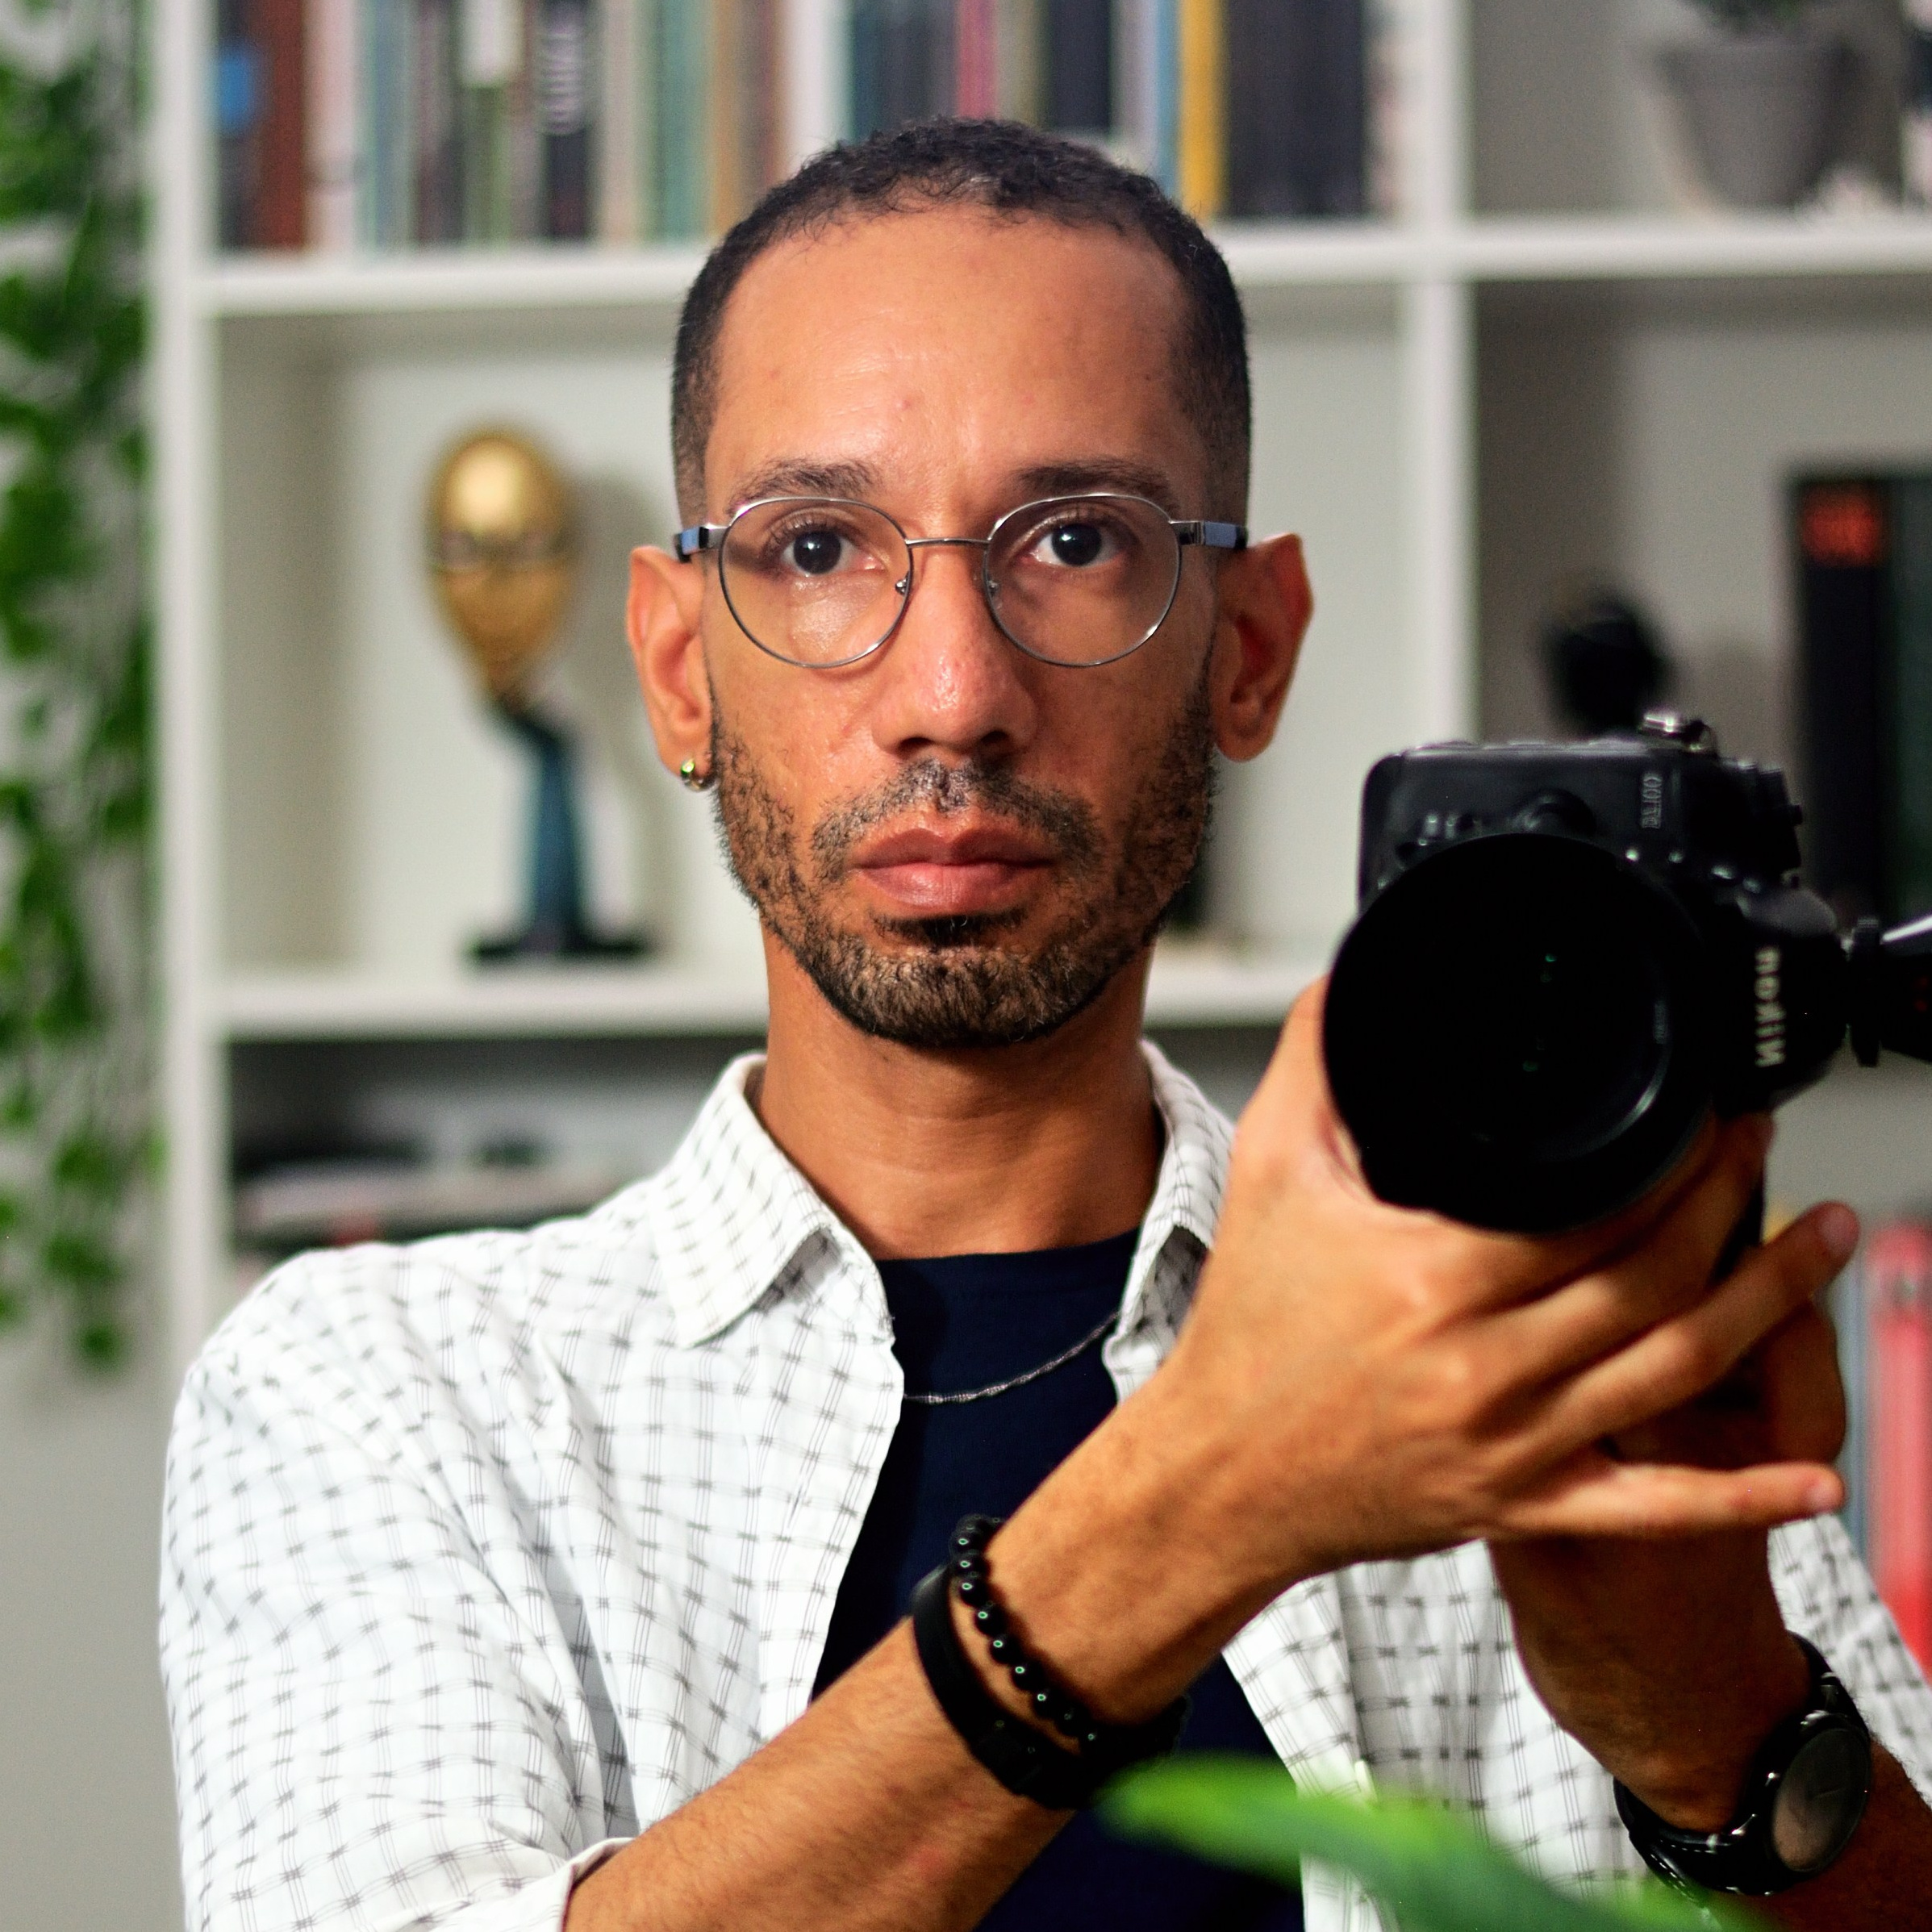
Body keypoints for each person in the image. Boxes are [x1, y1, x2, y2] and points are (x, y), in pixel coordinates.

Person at [161, 120, 1932, 1932]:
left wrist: (1720, 1735)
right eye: (821, 546)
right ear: (681, 663)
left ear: (1247, 648)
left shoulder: (1533, 1318)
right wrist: (1201, 1499)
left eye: (1074, 539)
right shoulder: (391, 1395)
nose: (953, 695)